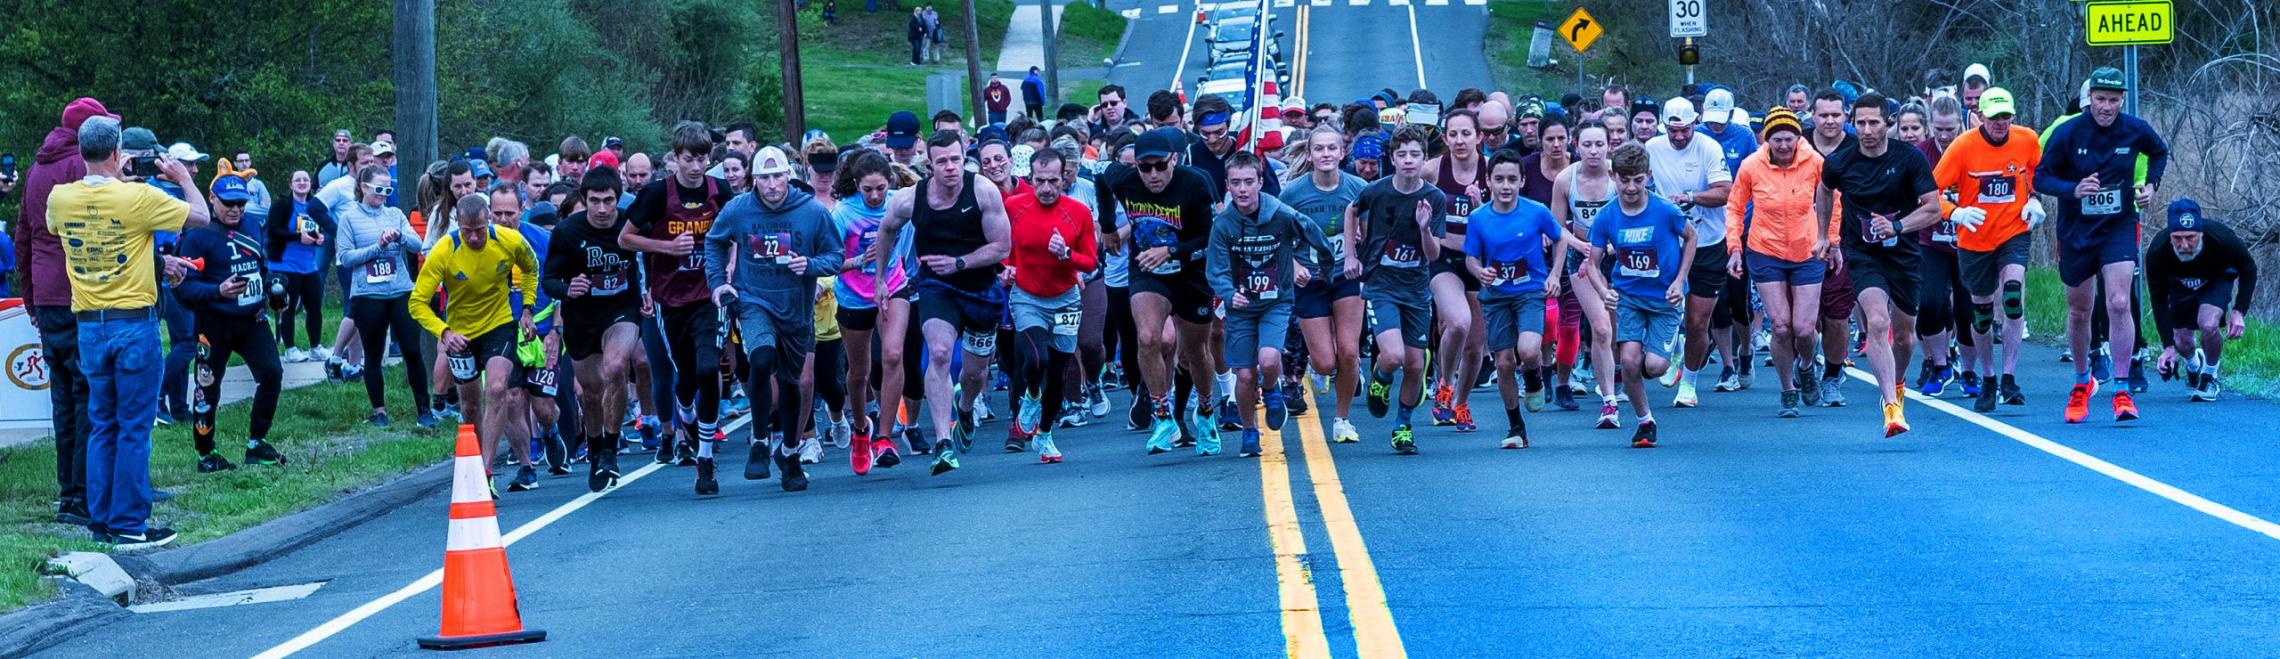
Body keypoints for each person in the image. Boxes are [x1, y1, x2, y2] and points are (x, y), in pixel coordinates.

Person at [51, 115, 212, 549]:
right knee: (134, 427)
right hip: (133, 323)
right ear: (119, 152)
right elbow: (201, 215)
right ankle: (129, 521)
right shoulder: (139, 197)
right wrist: (180, 176)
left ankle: (101, 517)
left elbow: (56, 227)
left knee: (102, 422)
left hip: (88, 324)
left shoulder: (60, 198)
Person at [2034, 67, 2169, 424]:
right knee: (2079, 309)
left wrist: (2152, 185)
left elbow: (2159, 152)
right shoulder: (2067, 132)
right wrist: (2073, 189)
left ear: (2121, 100)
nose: (2107, 107)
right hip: (2077, 230)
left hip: (2118, 225)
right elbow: (2041, 177)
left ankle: (2122, 389)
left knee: (2120, 301)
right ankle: (2082, 381)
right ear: (2089, 98)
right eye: (2101, 99)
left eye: (2113, 100)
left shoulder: (2134, 129)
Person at [876, 131, 1013, 475]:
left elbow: (1002, 248)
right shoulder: (911, 199)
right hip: (937, 286)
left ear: (963, 158)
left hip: (980, 289)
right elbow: (886, 230)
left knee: (974, 373)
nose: (950, 167)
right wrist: (880, 278)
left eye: (955, 159)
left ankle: (965, 407)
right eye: (942, 161)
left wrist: (960, 262)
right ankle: (942, 442)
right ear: (929, 164)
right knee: (937, 353)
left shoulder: (982, 190)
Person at [706, 147, 842, 492]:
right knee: (761, 358)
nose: (771, 185)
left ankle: (791, 454)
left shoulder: (811, 211)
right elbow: (714, 242)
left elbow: (836, 255)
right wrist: (719, 284)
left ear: (788, 177)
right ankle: (759, 441)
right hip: (753, 300)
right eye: (763, 178)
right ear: (754, 180)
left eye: (777, 176)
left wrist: (809, 265)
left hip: (795, 309)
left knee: (792, 382)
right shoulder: (738, 209)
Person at [1818, 92, 1943, 437]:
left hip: (1903, 253)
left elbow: (1934, 208)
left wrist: (1898, 226)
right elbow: (1824, 190)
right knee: (1876, 320)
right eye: (1860, 123)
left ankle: (1898, 383)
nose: (1868, 129)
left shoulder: (1910, 159)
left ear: (1888, 123)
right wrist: (1823, 236)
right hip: (1863, 253)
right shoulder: (1840, 161)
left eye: (1874, 122)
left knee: (1904, 338)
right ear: (1852, 124)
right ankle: (1890, 405)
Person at [16, 97, 115, 528]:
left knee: (63, 400)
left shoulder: (37, 169)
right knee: (88, 395)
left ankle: (68, 494)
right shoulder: (81, 165)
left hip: (48, 295)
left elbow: (23, 235)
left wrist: (30, 298)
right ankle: (85, 496)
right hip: (80, 293)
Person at [1096, 127, 1221, 455]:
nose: (1153, 175)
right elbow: (1101, 179)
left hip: (1191, 271)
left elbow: (1210, 238)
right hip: (1148, 271)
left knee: (1195, 352)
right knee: (1149, 338)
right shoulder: (1124, 178)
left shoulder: (1195, 183)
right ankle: (1163, 415)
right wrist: (1108, 226)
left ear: (1174, 160)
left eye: (1160, 166)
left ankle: (1206, 410)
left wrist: (1172, 251)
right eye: (1144, 167)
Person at [411, 192, 543, 496]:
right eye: (467, 231)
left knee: (497, 389)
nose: (473, 238)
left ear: (489, 222)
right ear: (458, 225)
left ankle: (485, 469)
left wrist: (527, 307)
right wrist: (444, 333)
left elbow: (532, 267)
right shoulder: (445, 249)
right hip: (461, 334)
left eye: (479, 231)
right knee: (470, 404)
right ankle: (475, 465)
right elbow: (417, 303)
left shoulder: (508, 240)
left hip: (499, 324)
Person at [622, 121, 736, 465]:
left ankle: (704, 456)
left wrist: (730, 266)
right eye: (689, 159)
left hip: (709, 293)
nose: (696, 167)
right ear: (676, 158)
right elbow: (625, 238)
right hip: (670, 297)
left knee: (708, 367)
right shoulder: (657, 194)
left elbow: (738, 233)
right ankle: (684, 409)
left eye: (703, 159)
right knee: (684, 376)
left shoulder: (720, 190)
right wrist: (666, 247)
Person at [1934, 88, 2042, 413]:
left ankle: (2009, 375)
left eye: (2005, 116)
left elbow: (2037, 171)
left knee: (2012, 295)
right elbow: (1929, 190)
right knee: (1980, 314)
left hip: (2013, 230)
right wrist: (1955, 213)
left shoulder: (2026, 140)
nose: (2000, 123)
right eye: (1993, 117)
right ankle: (1989, 376)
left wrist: (2034, 198)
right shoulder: (1963, 147)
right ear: (1979, 116)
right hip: (1975, 239)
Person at [172, 168, 287, 472]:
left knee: (272, 374)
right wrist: (217, 290)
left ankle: (257, 443)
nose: (235, 210)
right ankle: (205, 453)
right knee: (207, 388)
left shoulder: (252, 224)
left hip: (252, 319)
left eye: (241, 204)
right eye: (228, 203)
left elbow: (261, 266)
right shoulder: (197, 234)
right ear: (212, 200)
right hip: (213, 325)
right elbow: (183, 287)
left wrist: (273, 290)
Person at [1726, 108, 1836, 418]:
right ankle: (1788, 390)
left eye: (1789, 139)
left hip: (1807, 249)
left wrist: (1831, 239)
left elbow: (1833, 199)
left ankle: (1805, 366)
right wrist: (1734, 247)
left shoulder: (1814, 161)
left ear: (1798, 137)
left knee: (1803, 329)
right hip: (1765, 249)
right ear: (1767, 140)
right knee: (1781, 325)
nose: (1784, 146)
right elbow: (1735, 207)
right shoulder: (1751, 166)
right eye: (1777, 140)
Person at [1583, 143, 1693, 448]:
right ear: (1612, 176)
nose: (1631, 187)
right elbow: (1591, 264)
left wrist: (1680, 280)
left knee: (1654, 367)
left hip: (1664, 299)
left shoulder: (1665, 211)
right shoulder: (1606, 216)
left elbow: (1691, 238)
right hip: (1629, 296)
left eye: (1638, 180)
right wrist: (1604, 290)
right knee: (1629, 362)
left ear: (1649, 176)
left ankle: (1671, 351)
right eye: (1624, 180)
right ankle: (1646, 421)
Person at [544, 166, 647, 491]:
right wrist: (567, 288)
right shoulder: (567, 232)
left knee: (616, 366)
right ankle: (597, 446)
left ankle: (611, 450)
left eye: (609, 201)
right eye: (594, 201)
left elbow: (651, 258)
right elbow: (549, 280)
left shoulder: (630, 224)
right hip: (582, 318)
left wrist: (650, 291)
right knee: (590, 393)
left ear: (619, 198)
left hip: (622, 310)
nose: (602, 209)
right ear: (584, 200)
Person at [1346, 126, 1448, 455]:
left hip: (1417, 288)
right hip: (1382, 283)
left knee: (1416, 366)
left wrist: (1423, 229)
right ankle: (1380, 377)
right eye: (1401, 155)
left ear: (1424, 159)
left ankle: (1402, 426)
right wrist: (1351, 254)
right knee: (1393, 356)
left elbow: (1433, 255)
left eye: (1414, 155)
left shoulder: (1434, 198)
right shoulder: (1376, 191)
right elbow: (1351, 210)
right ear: (1391, 159)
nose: (1408, 161)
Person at [1464, 150, 1570, 449]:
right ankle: (1516, 427)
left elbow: (1560, 237)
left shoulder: (1536, 211)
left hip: (1530, 292)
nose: (1506, 186)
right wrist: (1479, 271)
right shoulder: (1479, 217)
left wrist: (1554, 274)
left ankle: (1535, 377)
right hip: (1496, 296)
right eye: (1499, 179)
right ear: (1489, 182)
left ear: (1522, 181)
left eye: (1512, 179)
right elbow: (1471, 257)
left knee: (1528, 349)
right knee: (1504, 362)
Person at [1003, 148, 1098, 462]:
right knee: (1036, 358)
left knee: (1058, 371)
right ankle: (1031, 395)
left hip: (1066, 298)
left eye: (1053, 181)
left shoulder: (1078, 212)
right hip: (1027, 296)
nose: (1046, 188)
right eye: (1039, 181)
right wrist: (1005, 267)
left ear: (1065, 178)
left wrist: (1066, 254)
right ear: (1030, 178)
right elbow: (1001, 246)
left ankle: (1044, 434)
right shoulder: (1013, 206)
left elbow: (1090, 262)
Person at [1642, 97, 1735, 408]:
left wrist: (1692, 197)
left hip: (1708, 242)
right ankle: (1672, 350)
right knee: (1665, 310)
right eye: (1673, 131)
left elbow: (1725, 192)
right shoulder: (1652, 148)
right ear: (1664, 127)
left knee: (1697, 320)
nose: (1679, 136)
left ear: (1695, 123)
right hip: (1668, 244)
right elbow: (1630, 184)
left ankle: (1690, 382)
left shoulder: (1709, 147)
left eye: (1685, 130)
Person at [1281, 126, 1371, 444]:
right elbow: (1277, 237)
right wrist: (1292, 266)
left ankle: (1342, 419)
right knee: (1324, 361)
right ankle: (1318, 367)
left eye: (1332, 148)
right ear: (1310, 154)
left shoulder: (1358, 188)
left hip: (1345, 278)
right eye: (1319, 149)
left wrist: (1360, 245)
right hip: (1311, 280)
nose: (1326, 154)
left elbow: (1371, 233)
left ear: (1342, 153)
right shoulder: (1293, 193)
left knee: (1348, 352)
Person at [333, 166, 435, 428]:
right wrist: (376, 248)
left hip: (399, 290)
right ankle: (379, 410)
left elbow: (417, 245)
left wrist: (400, 236)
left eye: (388, 190)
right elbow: (345, 258)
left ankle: (424, 409)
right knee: (374, 352)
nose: (383, 194)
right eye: (379, 189)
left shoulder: (395, 213)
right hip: (368, 294)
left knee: (412, 350)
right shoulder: (349, 218)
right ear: (364, 187)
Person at [826, 149, 909, 473]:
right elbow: (830, 262)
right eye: (867, 190)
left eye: (880, 188)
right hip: (854, 294)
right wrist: (860, 260)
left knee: (891, 355)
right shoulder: (843, 214)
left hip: (893, 285)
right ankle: (862, 430)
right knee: (859, 372)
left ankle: (885, 438)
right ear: (856, 185)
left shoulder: (899, 203)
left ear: (889, 182)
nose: (875, 196)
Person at [1550, 122, 1626, 428]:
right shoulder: (1565, 179)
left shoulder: (1617, 176)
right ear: (1576, 145)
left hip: (1616, 254)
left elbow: (1634, 214)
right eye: (1587, 145)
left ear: (1609, 146)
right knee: (1601, 327)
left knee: (1617, 330)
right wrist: (1580, 244)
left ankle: (1619, 372)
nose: (1593, 151)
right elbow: (1556, 226)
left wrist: (1607, 246)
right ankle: (1608, 402)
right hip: (1581, 257)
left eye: (1599, 144)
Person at [2145, 199, 2255, 402]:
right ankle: (2194, 366)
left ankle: (2209, 375)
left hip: (2216, 279)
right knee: (2182, 341)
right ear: (2170, 236)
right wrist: (2168, 347)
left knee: (2208, 323)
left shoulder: (2222, 238)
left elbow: (2249, 269)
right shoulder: (2157, 252)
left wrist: (2239, 311)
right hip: (2180, 284)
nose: (2184, 245)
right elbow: (2158, 300)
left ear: (2201, 233)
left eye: (2190, 237)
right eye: (2177, 238)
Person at [1423, 109, 1488, 432]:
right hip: (1444, 258)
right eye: (1453, 134)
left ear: (1479, 137)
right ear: (1445, 138)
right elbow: (1404, 190)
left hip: (1480, 263)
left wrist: (1479, 205)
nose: (1460, 140)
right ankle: (1444, 384)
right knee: (1458, 322)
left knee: (1476, 346)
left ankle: (1461, 403)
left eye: (1466, 133)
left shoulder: (1493, 171)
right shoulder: (1433, 170)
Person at [266, 169, 334, 363]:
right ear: (291, 184)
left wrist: (319, 237)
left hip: (309, 265)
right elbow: (273, 231)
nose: (302, 182)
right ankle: (290, 349)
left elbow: (319, 228)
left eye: (305, 179)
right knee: (287, 307)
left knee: (315, 307)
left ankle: (315, 347)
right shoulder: (281, 205)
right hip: (286, 264)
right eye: (298, 180)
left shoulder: (315, 207)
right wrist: (298, 237)